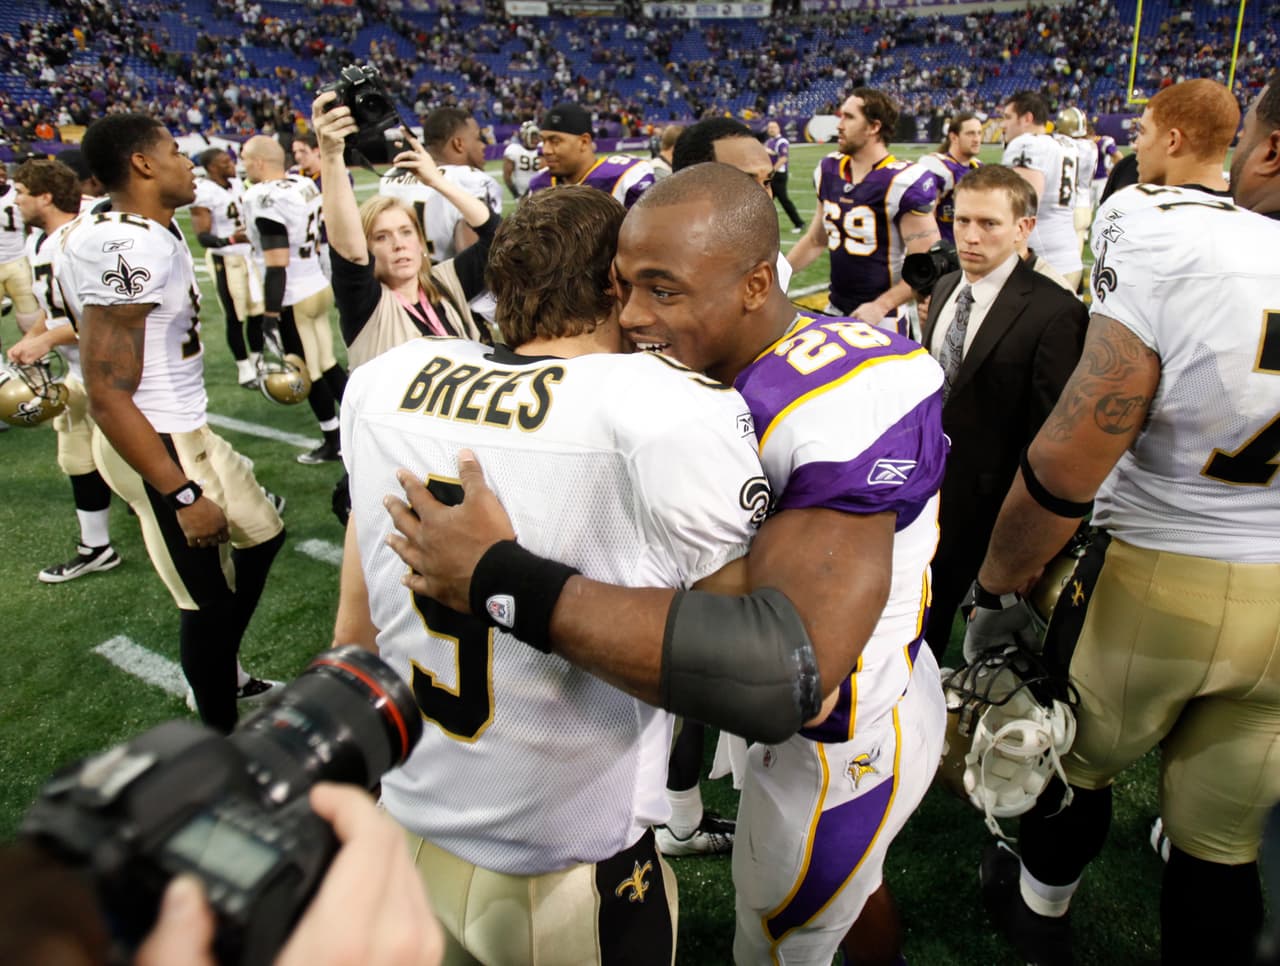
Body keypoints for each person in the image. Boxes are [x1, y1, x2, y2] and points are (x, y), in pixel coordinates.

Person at [383, 164, 949, 966]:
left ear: (756, 284)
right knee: (841, 900)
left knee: (783, 939)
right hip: (741, 677)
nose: (635, 316)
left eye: (663, 291)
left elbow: (798, 674)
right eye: (624, 287)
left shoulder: (843, 392)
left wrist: (497, 577)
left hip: (835, 728)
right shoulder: (681, 367)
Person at [336, 184, 767, 964]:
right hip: (565, 867)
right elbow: (738, 665)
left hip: (406, 823)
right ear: (616, 283)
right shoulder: (660, 405)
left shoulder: (386, 381)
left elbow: (354, 626)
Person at [966, 78, 1280, 966]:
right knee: (1223, 845)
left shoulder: (1171, 230)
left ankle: (1040, 919)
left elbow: (1072, 456)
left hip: (1161, 572)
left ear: (1271, 148)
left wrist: (996, 582)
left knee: (1064, 761)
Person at [59, 113, 284, 733]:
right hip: (153, 439)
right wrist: (180, 493)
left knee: (263, 534)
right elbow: (106, 392)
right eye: (174, 152)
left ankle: (216, 668)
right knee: (208, 605)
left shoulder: (144, 229)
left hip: (183, 428)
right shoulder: (125, 244)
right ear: (142, 164)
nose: (188, 162)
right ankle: (219, 735)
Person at [918, 165, 1087, 661]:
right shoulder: (948, 286)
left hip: (996, 511)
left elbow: (1051, 435)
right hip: (929, 494)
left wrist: (1028, 538)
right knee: (919, 626)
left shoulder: (1055, 312)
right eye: (962, 220)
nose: (971, 236)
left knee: (992, 651)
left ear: (1023, 228)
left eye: (988, 224)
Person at [312, 93, 495, 368]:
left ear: (420, 241)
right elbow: (348, 251)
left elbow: (497, 237)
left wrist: (437, 181)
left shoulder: (446, 282)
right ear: (368, 250)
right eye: (381, 237)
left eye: (406, 232)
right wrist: (330, 155)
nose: (398, 244)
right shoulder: (368, 305)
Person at [6, 158, 123, 583]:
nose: (14, 200)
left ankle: (239, 507)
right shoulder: (40, 242)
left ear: (45, 196)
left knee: (146, 465)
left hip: (113, 370)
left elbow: (105, 317)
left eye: (21, 192)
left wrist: (47, 340)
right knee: (75, 456)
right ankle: (96, 547)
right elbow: (54, 310)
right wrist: (31, 338)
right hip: (79, 372)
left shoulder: (81, 238)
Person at [787, 88, 940, 335]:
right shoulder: (829, 169)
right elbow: (816, 240)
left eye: (849, 117)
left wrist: (882, 305)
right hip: (835, 309)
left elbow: (928, 266)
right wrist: (779, 273)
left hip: (883, 318)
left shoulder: (900, 181)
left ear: (873, 127)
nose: (839, 125)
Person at [241, 134, 348, 464]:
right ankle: (360, 424)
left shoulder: (264, 197)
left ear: (259, 163)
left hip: (292, 295)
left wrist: (270, 316)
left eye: (245, 159)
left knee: (309, 372)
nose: (242, 165)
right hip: (316, 284)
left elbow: (277, 263)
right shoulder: (302, 185)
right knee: (328, 362)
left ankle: (333, 440)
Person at [380, 106, 502, 265]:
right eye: (478, 138)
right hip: (447, 284)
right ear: (459, 144)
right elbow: (474, 264)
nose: (483, 145)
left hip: (405, 283)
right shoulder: (472, 180)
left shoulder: (391, 177)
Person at [190, 147, 265, 389]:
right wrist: (231, 240)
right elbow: (202, 237)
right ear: (212, 167)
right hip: (226, 258)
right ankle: (244, 368)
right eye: (225, 161)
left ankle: (258, 359)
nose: (231, 164)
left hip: (248, 257)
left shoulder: (236, 184)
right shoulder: (205, 192)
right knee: (235, 316)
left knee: (257, 311)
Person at [1000, 91, 1084, 287]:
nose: (1003, 125)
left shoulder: (1027, 144)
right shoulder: (1066, 144)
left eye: (1008, 117)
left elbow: (1022, 207)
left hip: (1042, 260)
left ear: (1027, 118)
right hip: (1069, 254)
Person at [527, 102, 655, 208]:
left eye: (555, 141)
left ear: (584, 142)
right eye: (543, 141)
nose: (546, 150)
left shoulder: (624, 178)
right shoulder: (540, 183)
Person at [1129, 78, 1238, 192]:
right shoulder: (1248, 204)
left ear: (1172, 142)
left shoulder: (1130, 202)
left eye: (1143, 132)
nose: (1135, 146)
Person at [918, 111, 983, 244]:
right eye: (970, 133)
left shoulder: (979, 168)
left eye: (979, 133)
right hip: (944, 251)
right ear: (954, 137)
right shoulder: (939, 167)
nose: (976, 139)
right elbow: (924, 217)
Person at [0, 162, 43, 336]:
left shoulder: (16, 192)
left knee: (29, 313)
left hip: (17, 259)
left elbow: (31, 224)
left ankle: (39, 359)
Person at [764, 120, 805, 232]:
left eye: (773, 127)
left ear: (778, 128)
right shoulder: (770, 141)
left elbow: (783, 158)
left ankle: (799, 223)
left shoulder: (781, 141)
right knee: (766, 201)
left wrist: (772, 171)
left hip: (778, 175)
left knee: (783, 200)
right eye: (769, 127)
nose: (771, 129)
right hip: (771, 175)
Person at [501, 120, 545, 198]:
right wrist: (516, 195)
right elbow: (507, 176)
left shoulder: (543, 148)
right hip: (522, 194)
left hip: (542, 192)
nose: (535, 140)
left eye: (536, 136)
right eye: (532, 136)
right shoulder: (513, 150)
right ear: (524, 136)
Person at [1087, 120, 1121, 208]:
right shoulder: (1083, 144)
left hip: (1101, 180)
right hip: (1087, 181)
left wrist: (1114, 171)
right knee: (1085, 210)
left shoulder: (1101, 142)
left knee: (1103, 208)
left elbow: (1118, 156)